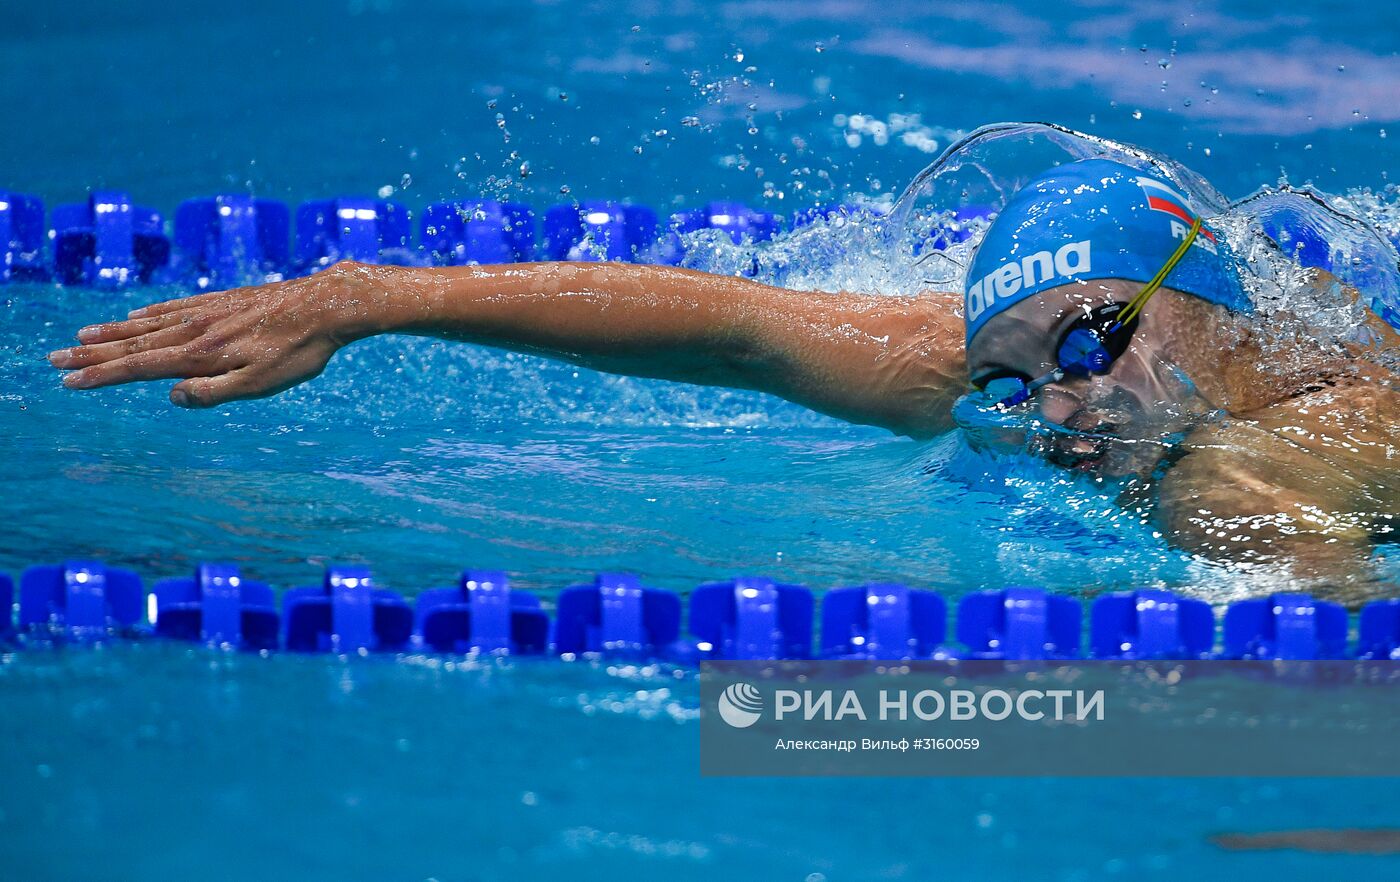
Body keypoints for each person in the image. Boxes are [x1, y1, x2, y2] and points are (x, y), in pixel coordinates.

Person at [48, 159, 1398, 591]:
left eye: (1093, 343)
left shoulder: (1252, 467)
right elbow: (738, 326)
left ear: (1210, 301)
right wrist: (372, 297)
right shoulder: (1034, 382)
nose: (1062, 408)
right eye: (1012, 375)